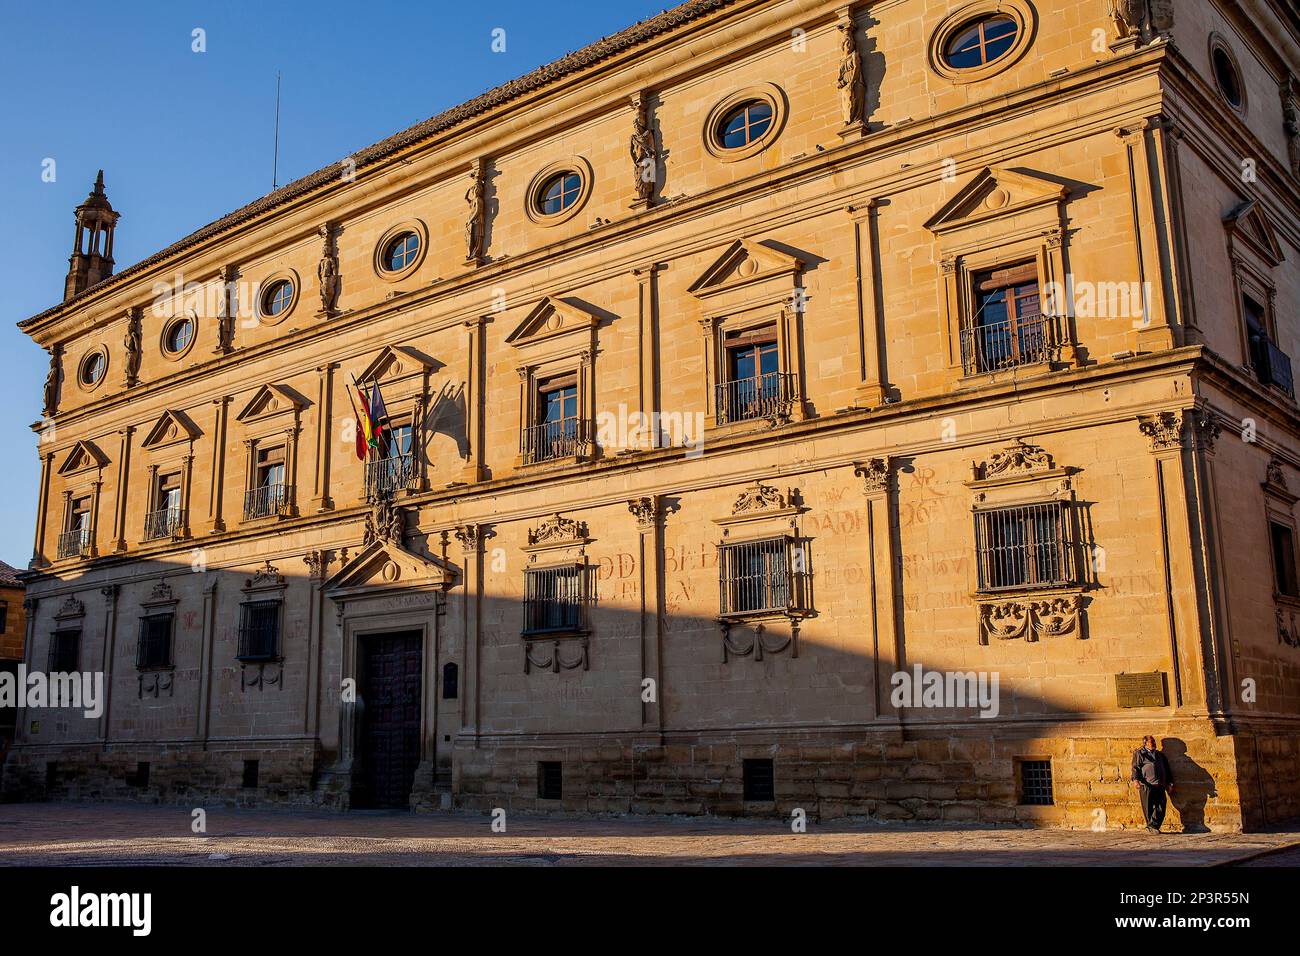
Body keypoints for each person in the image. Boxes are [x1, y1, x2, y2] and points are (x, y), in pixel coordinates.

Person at [1130, 734, 1175, 832]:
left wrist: (1170, 783)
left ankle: (1152, 826)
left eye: (1154, 741)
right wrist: (1136, 780)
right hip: (1146, 784)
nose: (1154, 743)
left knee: (1161, 806)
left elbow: (1167, 770)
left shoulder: (1160, 755)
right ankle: (1152, 827)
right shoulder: (1140, 754)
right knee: (1148, 807)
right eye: (1152, 742)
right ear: (1145, 743)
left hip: (1159, 784)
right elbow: (1135, 768)